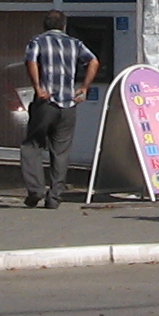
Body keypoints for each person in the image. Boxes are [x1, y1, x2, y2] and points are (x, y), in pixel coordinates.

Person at [20, 12, 99, 209]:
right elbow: (94, 61)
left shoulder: (37, 41)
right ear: (64, 25)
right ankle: (54, 196)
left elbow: (31, 61)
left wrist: (38, 88)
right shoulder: (75, 43)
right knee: (61, 151)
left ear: (44, 25)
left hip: (46, 103)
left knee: (32, 146)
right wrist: (84, 87)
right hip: (68, 104)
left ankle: (35, 190)